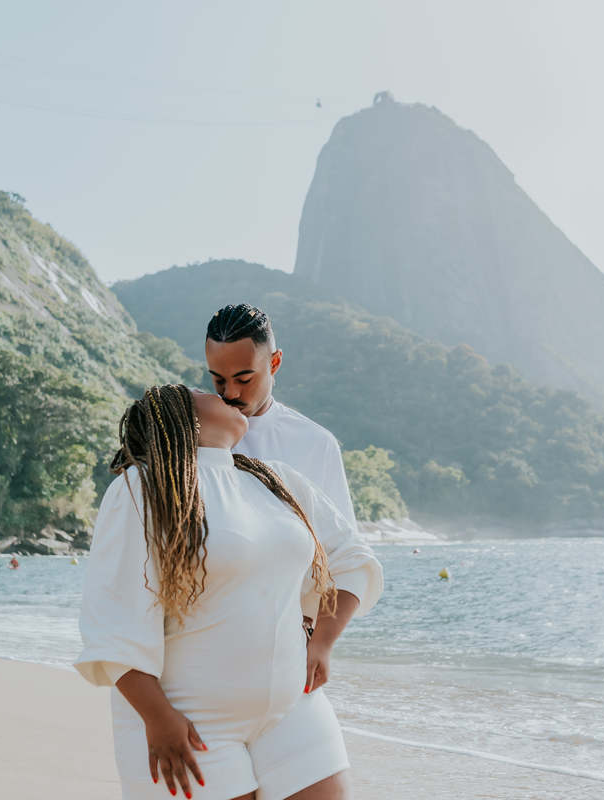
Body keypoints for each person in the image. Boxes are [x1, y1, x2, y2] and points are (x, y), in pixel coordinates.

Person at [75, 385, 382, 800]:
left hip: (294, 710)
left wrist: (323, 641)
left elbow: (352, 559)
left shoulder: (275, 479)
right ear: (180, 416)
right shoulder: (145, 486)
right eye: (205, 390)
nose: (224, 392)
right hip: (186, 719)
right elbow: (112, 621)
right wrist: (157, 717)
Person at [204, 304, 356, 530]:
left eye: (244, 379)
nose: (230, 393)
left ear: (274, 363)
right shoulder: (192, 435)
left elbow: (344, 543)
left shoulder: (318, 445)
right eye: (219, 380)